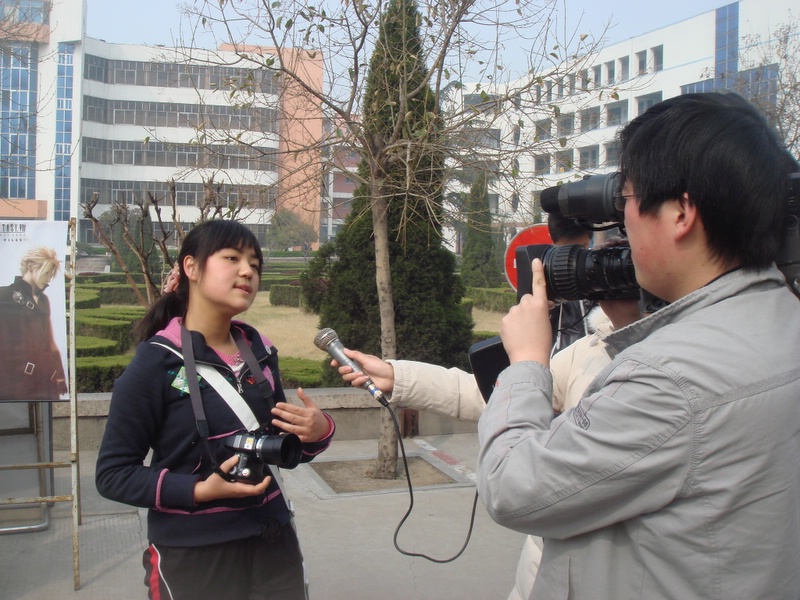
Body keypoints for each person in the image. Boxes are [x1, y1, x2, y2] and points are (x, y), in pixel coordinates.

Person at [477, 92, 800, 599]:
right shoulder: (783, 318)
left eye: (625, 198)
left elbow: (512, 487)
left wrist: (526, 362)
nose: (621, 222)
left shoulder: (670, 378)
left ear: (681, 212)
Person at [334, 294, 641, 600]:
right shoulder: (591, 349)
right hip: (538, 579)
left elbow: (514, 490)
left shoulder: (655, 373)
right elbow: (498, 396)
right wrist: (397, 377)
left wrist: (528, 359)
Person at [96, 220, 335, 600]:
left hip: (273, 542)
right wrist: (198, 490)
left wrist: (318, 432)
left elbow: (279, 448)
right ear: (191, 267)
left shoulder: (259, 351)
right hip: (194, 554)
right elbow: (113, 475)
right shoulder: (156, 364)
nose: (248, 271)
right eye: (232, 258)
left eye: (255, 264)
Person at [0, 246, 67, 401]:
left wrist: (60, 376)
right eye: (47, 272)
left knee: (43, 414)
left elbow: (49, 341)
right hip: (14, 382)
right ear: (31, 267)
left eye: (52, 274)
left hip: (45, 378)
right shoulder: (4, 295)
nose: (49, 279)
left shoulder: (43, 300)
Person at [545, 213, 593, 355]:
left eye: (581, 249)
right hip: (558, 358)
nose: (574, 260)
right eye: (566, 251)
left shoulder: (599, 265)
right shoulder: (544, 271)